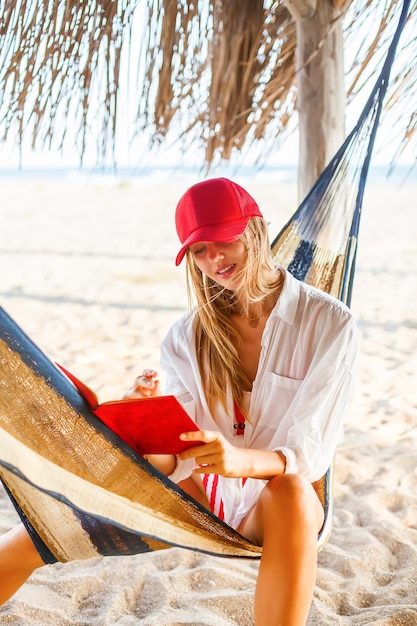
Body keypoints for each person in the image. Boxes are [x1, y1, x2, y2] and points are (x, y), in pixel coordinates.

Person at [0, 177, 358, 625]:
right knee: (34, 535)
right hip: (197, 499)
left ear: (255, 231)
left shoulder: (328, 323)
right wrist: (142, 422)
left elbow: (310, 454)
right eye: (199, 250)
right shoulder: (186, 337)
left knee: (292, 494)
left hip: (272, 504)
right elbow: (176, 461)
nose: (214, 260)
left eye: (222, 241)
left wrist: (239, 461)